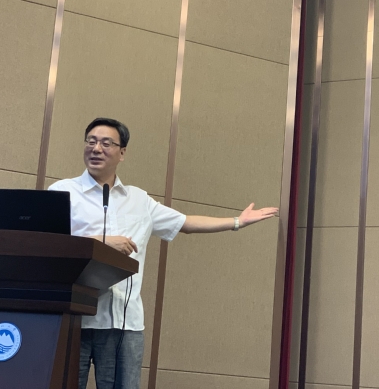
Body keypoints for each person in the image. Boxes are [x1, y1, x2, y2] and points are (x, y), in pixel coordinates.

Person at [48, 117, 278, 389]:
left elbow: (186, 223)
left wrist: (237, 221)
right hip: (73, 317)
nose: (96, 148)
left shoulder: (138, 200)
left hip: (124, 321)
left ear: (122, 153)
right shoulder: (62, 191)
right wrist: (102, 241)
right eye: (91, 141)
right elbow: (49, 244)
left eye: (106, 143)